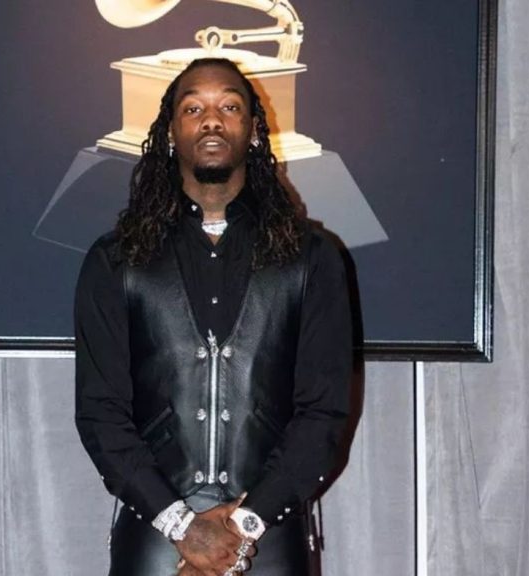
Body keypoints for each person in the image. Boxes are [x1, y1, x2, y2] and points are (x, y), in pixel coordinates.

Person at [75, 57, 353, 576]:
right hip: (156, 536)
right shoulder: (116, 260)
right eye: (193, 108)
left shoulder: (312, 258)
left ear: (253, 129)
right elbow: (100, 412)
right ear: (170, 131)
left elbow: (323, 412)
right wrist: (183, 527)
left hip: (269, 536)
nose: (211, 120)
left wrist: (245, 522)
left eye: (229, 107)